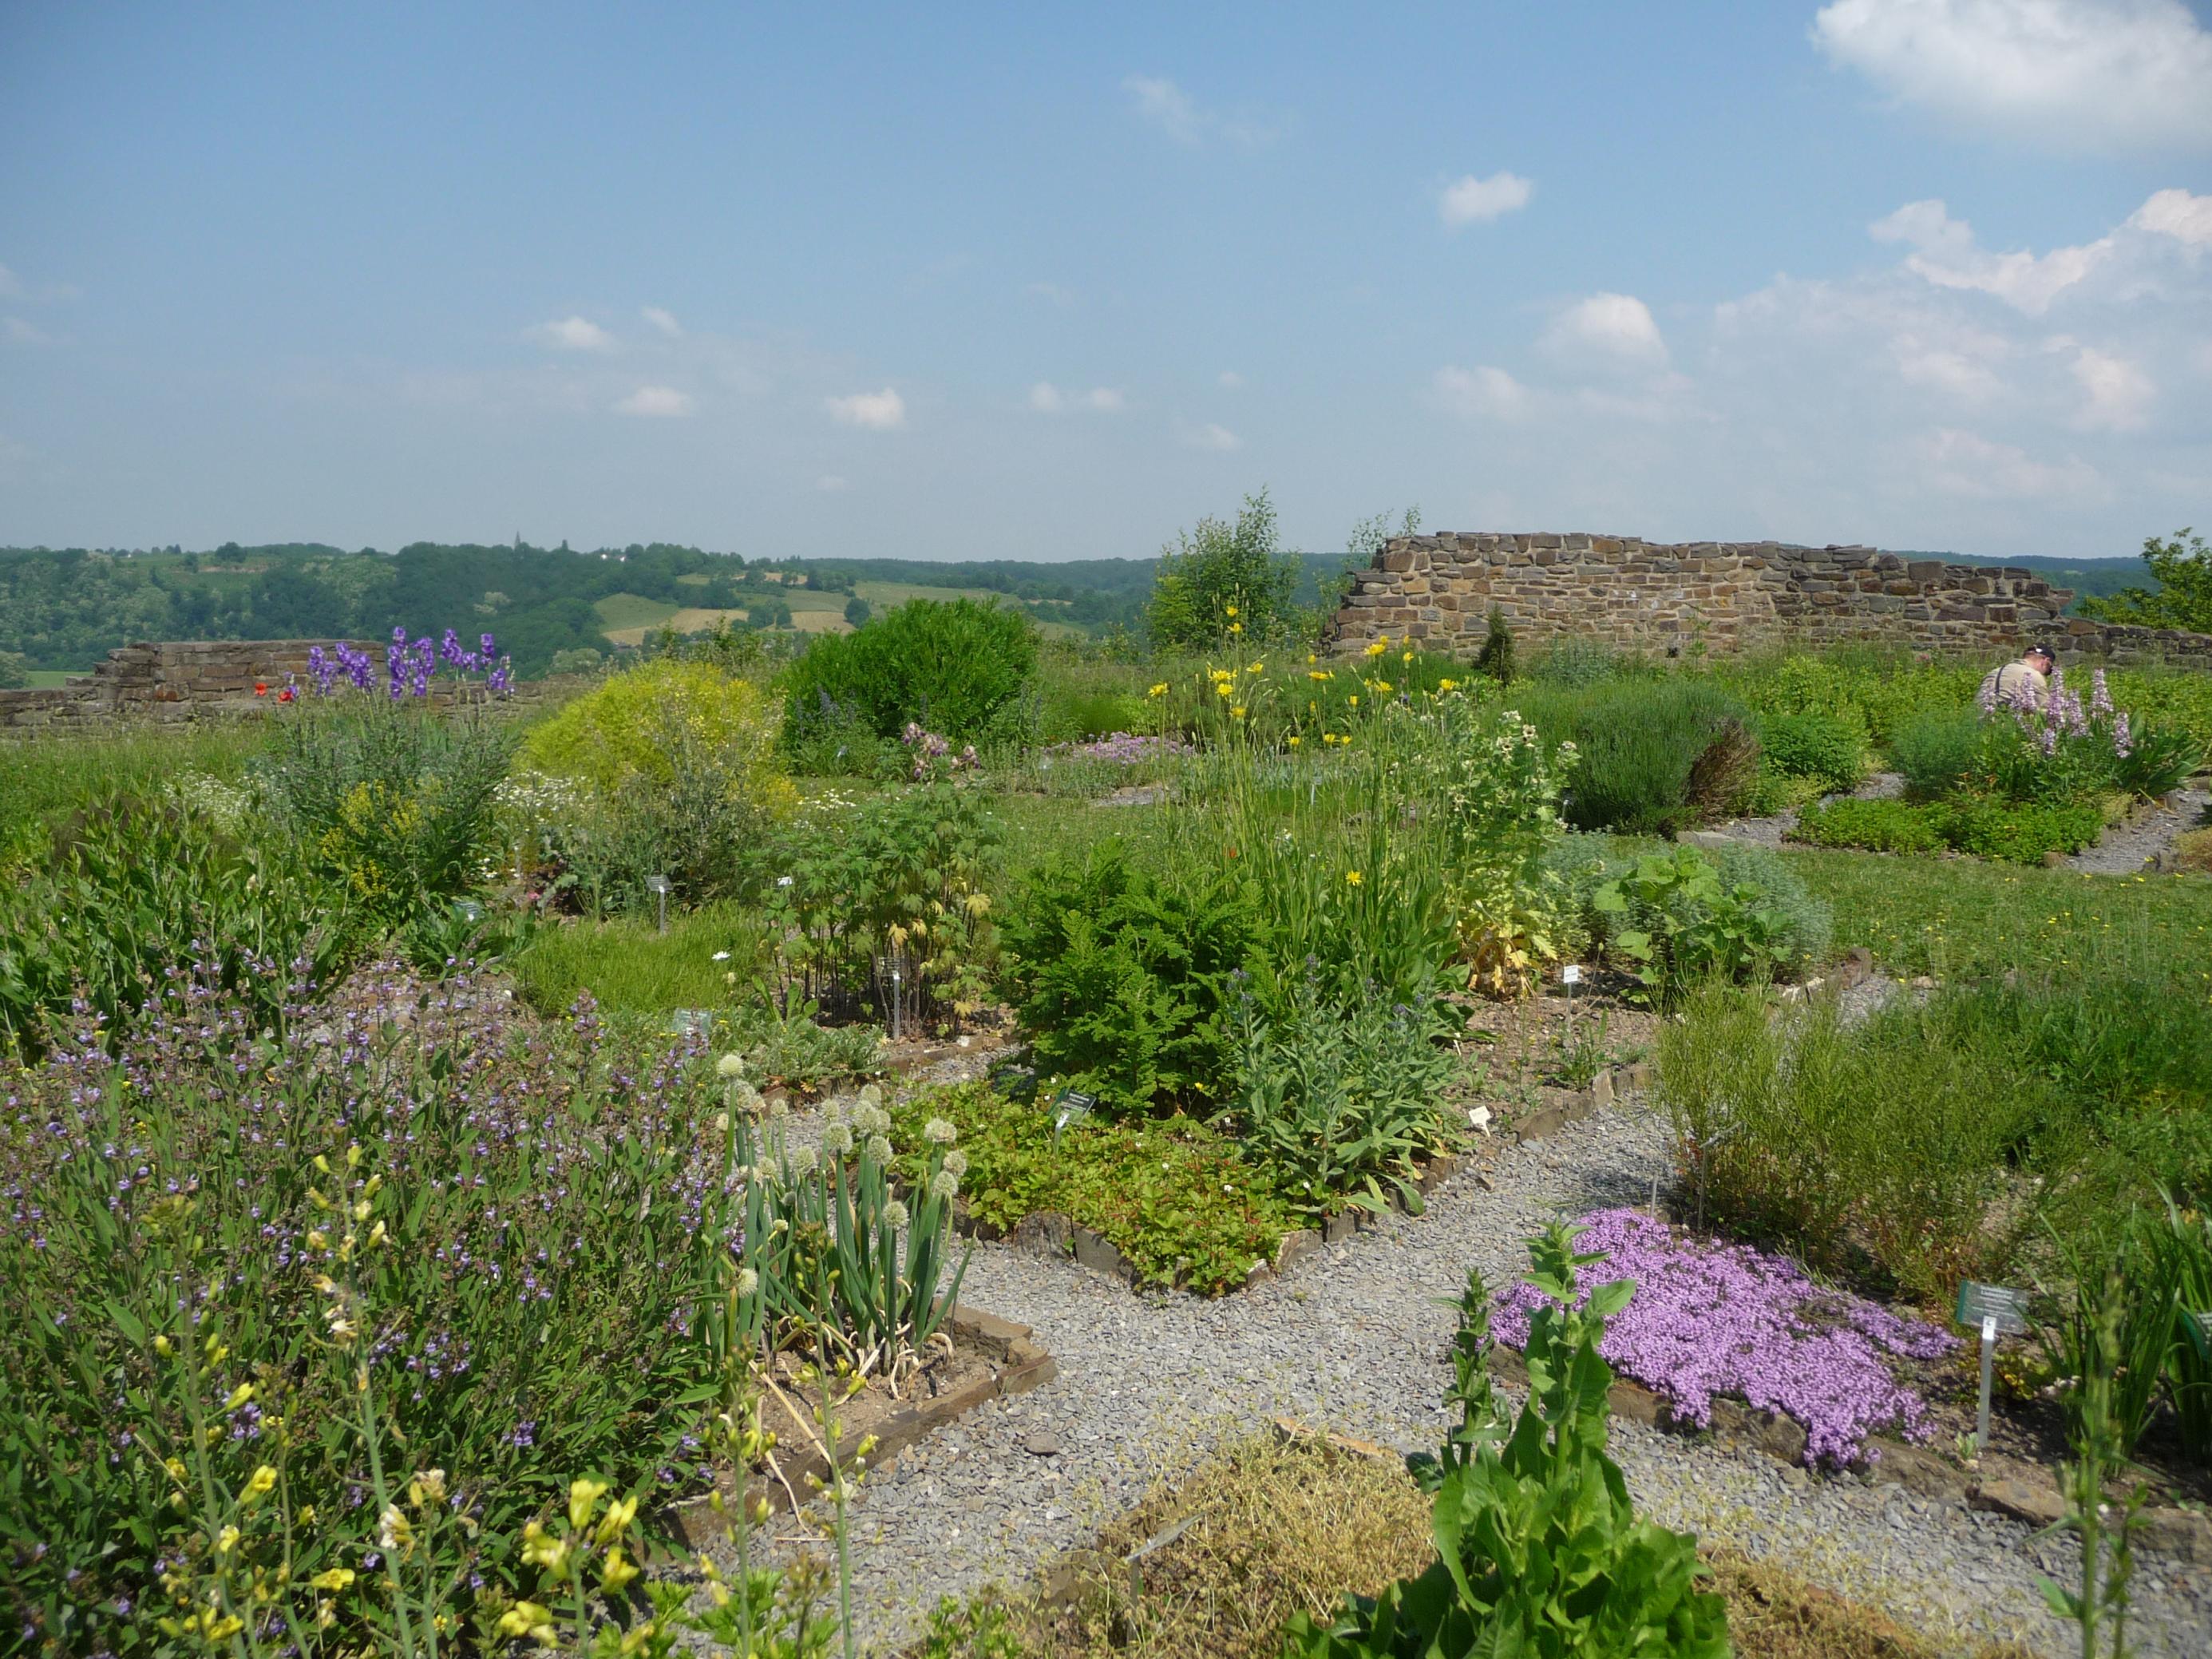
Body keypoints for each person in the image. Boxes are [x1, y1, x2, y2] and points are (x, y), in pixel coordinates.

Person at [1979, 643, 2052, 714]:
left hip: (1977, 720)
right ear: (2046, 661)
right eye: (2048, 671)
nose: (2045, 675)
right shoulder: (2034, 676)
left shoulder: (1993, 672)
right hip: (2005, 721)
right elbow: (2045, 713)